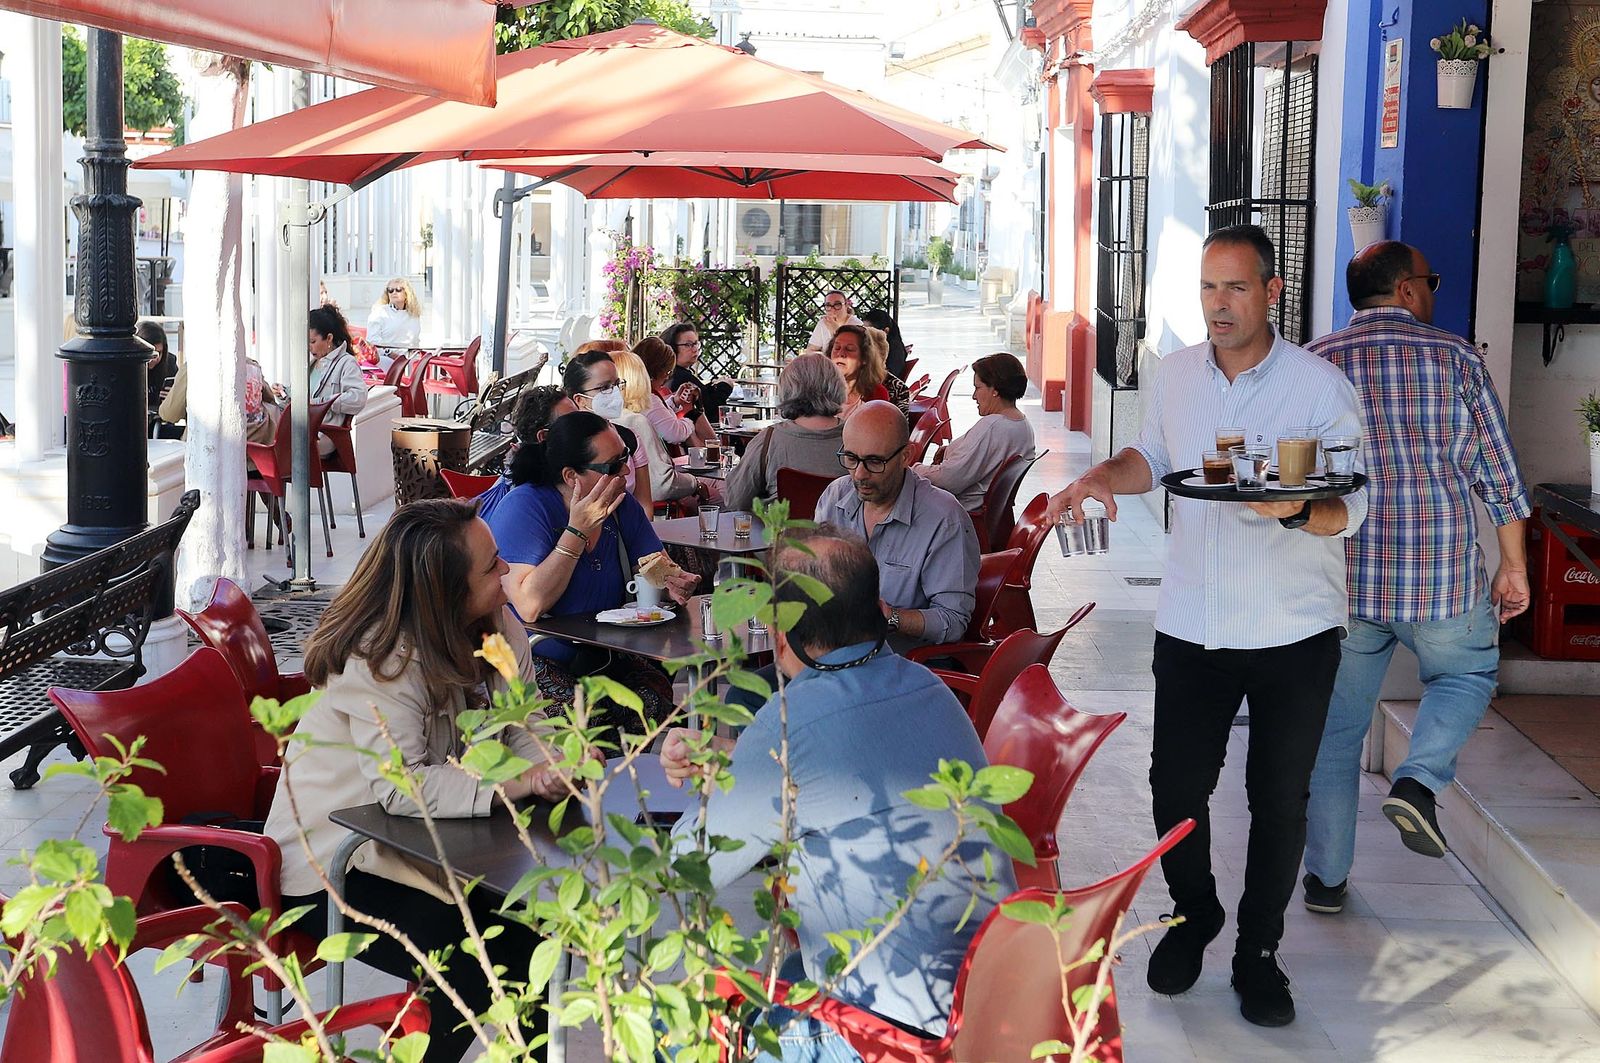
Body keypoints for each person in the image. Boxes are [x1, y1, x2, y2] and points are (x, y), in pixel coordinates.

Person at [1045, 224, 1367, 1028]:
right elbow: (1150, 456)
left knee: (1277, 798)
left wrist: (1298, 510)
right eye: (1207, 287)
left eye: (1235, 287)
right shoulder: (1179, 373)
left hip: (1295, 629)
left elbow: (1353, 503)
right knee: (1176, 787)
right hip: (1193, 621)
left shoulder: (1319, 387)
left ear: (1272, 292)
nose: (1218, 305)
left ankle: (1258, 950)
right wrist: (1100, 475)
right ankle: (1195, 912)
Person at [659, 526, 1015, 1058]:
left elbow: (690, 866)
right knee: (787, 968)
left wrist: (726, 784)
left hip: (888, 1035)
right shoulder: (932, 689)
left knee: (669, 1029)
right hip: (988, 1003)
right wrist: (741, 762)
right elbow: (846, 765)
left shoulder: (788, 721)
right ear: (877, 609)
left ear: (780, 632)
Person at [265, 498, 572, 1063]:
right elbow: (400, 786)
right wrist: (519, 784)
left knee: (535, 941)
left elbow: (521, 722)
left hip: (420, 847)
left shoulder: (495, 626)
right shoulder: (381, 656)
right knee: (474, 965)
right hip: (332, 863)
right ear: (445, 593)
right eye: (491, 566)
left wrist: (553, 768)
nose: (507, 570)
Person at [1301, 241, 1531, 914]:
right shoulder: (1456, 359)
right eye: (1430, 279)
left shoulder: (1317, 363)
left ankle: (1326, 880)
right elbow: (1501, 477)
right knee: (1465, 676)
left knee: (1335, 736)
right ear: (1406, 289)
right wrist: (1514, 565)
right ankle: (1419, 781)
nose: (1433, 290)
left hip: (1343, 581)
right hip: (1442, 582)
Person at [482, 412, 698, 731]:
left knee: (654, 700)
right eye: (612, 466)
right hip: (534, 656)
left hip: (606, 654)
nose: (626, 471)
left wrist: (674, 583)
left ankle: (631, 765)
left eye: (625, 457)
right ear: (572, 476)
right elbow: (530, 605)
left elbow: (656, 567)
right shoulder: (526, 507)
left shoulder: (621, 506)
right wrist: (577, 532)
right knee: (591, 718)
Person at [813, 400, 978, 652]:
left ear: (905, 457)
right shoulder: (835, 497)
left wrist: (890, 617)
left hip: (900, 661)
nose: (859, 474)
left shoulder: (944, 519)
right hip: (830, 651)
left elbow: (953, 621)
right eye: (851, 458)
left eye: (874, 461)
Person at [911, 352, 1036, 511]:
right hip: (991, 512)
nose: (974, 396)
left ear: (995, 390)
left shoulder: (992, 427)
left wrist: (911, 469)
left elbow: (949, 479)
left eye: (978, 388)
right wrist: (949, 451)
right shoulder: (1023, 425)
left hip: (959, 512)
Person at [722, 352, 845, 512]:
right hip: (843, 527)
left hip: (782, 527)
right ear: (837, 385)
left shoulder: (769, 440)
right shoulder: (857, 439)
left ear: (788, 389)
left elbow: (735, 500)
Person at [560, 350, 653, 513]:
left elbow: (644, 505)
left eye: (617, 384)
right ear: (579, 399)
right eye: (604, 388)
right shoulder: (564, 445)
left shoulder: (630, 438)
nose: (615, 393)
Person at [636, 337, 722, 502]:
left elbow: (656, 417)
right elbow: (675, 434)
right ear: (659, 370)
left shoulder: (637, 394)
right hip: (656, 478)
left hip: (649, 471)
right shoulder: (648, 398)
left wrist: (674, 402)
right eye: (668, 371)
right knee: (720, 495)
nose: (668, 376)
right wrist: (689, 413)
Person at [475, 384, 576, 519]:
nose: (584, 424)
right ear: (543, 436)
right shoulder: (530, 499)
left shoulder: (523, 472)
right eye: (571, 423)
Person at [279, 305, 367, 457]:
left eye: (312, 341)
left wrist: (321, 403)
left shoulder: (346, 363)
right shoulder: (312, 363)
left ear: (329, 338)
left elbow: (358, 398)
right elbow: (302, 401)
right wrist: (284, 393)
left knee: (269, 437)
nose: (309, 347)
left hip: (323, 433)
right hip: (305, 427)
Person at [663, 321, 733, 427]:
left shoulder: (673, 373)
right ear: (672, 348)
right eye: (688, 345)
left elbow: (703, 395)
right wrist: (725, 386)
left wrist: (714, 385)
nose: (695, 349)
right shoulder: (682, 378)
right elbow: (709, 411)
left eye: (696, 343)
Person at [829, 324, 891, 422]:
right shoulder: (816, 388)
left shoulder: (876, 395)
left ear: (864, 358)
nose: (840, 353)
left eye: (849, 349)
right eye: (837, 348)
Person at [139, 321, 182, 439]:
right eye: (152, 353)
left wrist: (172, 398)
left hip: (161, 422)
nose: (155, 358)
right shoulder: (129, 366)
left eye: (159, 353)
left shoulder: (169, 364)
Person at [366, 276, 423, 353]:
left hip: (410, 356)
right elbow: (373, 342)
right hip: (385, 357)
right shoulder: (379, 312)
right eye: (390, 290)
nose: (394, 293)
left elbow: (415, 342)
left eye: (398, 289)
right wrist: (389, 354)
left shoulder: (414, 314)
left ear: (407, 293)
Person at [860, 307, 910, 380]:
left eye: (870, 331)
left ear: (885, 331)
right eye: (863, 329)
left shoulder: (894, 350)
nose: (864, 334)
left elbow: (885, 377)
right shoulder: (872, 345)